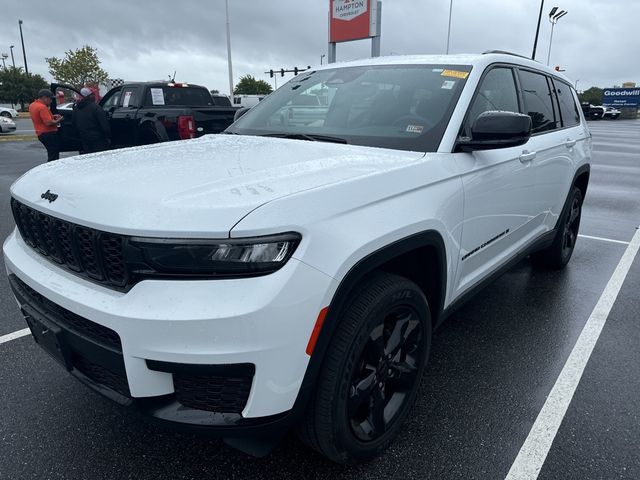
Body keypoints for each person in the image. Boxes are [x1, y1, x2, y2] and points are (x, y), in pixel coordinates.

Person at [73, 87, 111, 153]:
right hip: (98, 140)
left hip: (84, 139)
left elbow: (74, 123)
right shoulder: (96, 108)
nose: (93, 96)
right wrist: (108, 137)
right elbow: (104, 124)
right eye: (91, 95)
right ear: (88, 96)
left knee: (88, 158)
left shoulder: (76, 109)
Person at [28, 89, 63, 161]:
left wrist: (52, 116)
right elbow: (48, 123)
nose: (51, 101)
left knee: (51, 153)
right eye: (50, 99)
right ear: (44, 97)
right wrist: (59, 120)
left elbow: (40, 118)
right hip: (49, 133)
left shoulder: (32, 105)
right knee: (53, 155)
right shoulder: (42, 107)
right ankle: (52, 169)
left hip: (40, 133)